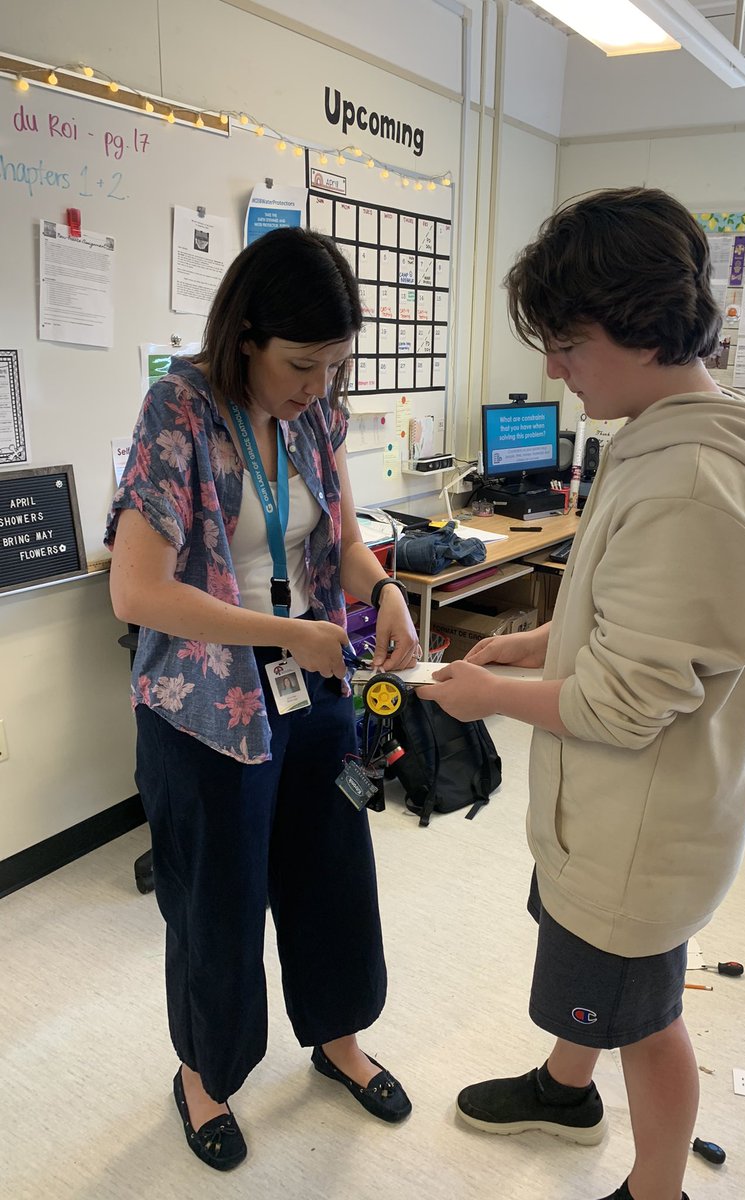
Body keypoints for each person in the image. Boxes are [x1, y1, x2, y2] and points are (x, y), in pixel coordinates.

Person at [423, 188, 745, 1200]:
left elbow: (624, 701)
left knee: (644, 1018)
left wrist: (486, 696)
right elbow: (628, 622)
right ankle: (566, 1088)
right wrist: (531, 643)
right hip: (611, 815)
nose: (553, 369)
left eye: (569, 343)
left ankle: (658, 1190)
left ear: (643, 328)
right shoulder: (658, 436)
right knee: (590, 981)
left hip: (639, 830)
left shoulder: (690, 481)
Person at [106, 227, 418, 1170]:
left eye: (335, 365)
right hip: (203, 708)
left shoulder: (315, 415)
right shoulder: (179, 408)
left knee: (332, 874)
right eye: (301, 364)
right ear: (247, 335)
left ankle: (337, 1040)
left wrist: (386, 591)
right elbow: (138, 591)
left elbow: (345, 545)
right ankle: (204, 1076)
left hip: (309, 685)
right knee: (216, 905)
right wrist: (290, 633)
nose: (318, 385)